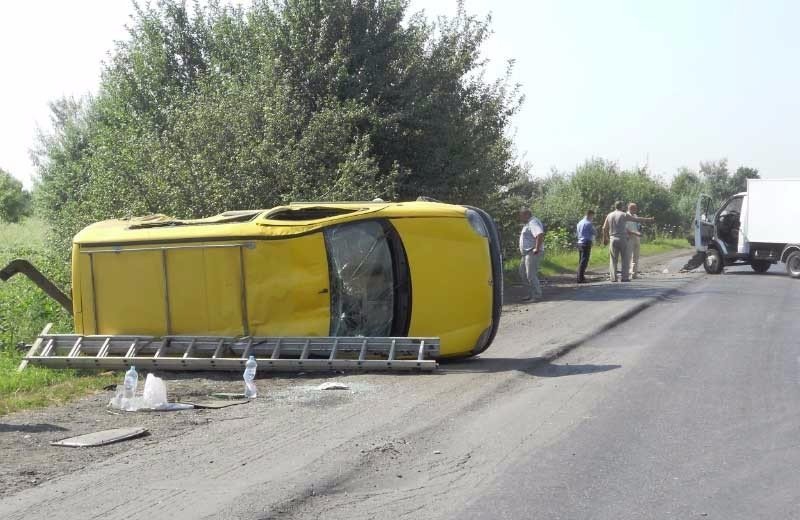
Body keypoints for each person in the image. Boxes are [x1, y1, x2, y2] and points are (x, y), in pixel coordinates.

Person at [602, 201, 654, 282]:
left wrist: (604, 238)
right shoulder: (623, 215)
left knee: (613, 259)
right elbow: (636, 219)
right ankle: (624, 277)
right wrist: (648, 219)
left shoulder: (609, 215)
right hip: (622, 238)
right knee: (625, 259)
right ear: (622, 207)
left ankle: (613, 277)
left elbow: (604, 228)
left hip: (612, 238)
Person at [518, 208, 545, 301]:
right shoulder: (528, 223)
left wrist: (537, 248)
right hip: (526, 253)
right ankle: (530, 294)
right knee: (522, 273)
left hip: (532, 252)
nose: (520, 218)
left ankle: (537, 295)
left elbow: (540, 234)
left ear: (526, 215)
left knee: (530, 274)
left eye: (521, 216)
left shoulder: (533, 222)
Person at [575, 210, 595, 283]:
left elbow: (577, 233)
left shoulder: (579, 223)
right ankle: (580, 278)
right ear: (590, 215)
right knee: (584, 261)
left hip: (579, 242)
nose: (593, 218)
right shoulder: (589, 223)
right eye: (592, 216)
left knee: (581, 260)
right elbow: (594, 232)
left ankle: (580, 276)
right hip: (586, 242)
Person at [626, 202, 643, 279]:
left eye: (636, 208)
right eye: (634, 208)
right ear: (629, 208)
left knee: (636, 256)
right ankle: (626, 273)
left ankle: (634, 274)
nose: (635, 209)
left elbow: (638, 225)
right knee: (628, 256)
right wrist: (635, 233)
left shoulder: (635, 216)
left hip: (637, 237)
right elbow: (626, 229)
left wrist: (640, 229)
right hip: (629, 237)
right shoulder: (626, 216)